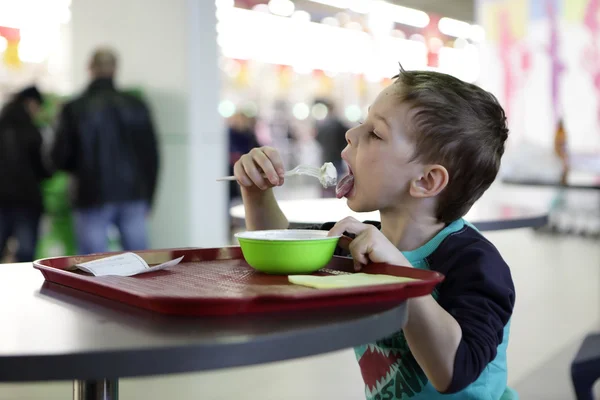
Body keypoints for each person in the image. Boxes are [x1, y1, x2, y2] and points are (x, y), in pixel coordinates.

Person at [233, 67, 516, 399]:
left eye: (376, 134)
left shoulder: (476, 262)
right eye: (362, 123)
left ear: (426, 181)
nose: (351, 134)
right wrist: (257, 190)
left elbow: (453, 371)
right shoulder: (357, 241)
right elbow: (281, 246)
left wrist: (399, 272)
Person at [51, 48, 159, 255]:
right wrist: (149, 196)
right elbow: (151, 156)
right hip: (134, 194)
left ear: (89, 68)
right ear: (115, 69)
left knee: (93, 266)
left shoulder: (75, 108)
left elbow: (58, 158)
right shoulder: (137, 106)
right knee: (139, 263)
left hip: (91, 193)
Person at [0, 86, 52, 262]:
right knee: (26, 252)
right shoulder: (31, 130)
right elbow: (41, 167)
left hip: (2, 198)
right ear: (30, 103)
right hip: (26, 199)